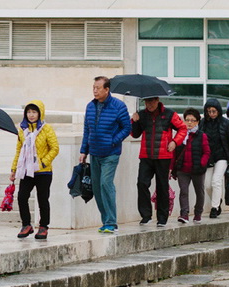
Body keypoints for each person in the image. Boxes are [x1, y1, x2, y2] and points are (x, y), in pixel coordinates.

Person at [79, 76, 132, 234]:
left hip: (110, 153)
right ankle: (105, 221)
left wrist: (113, 141)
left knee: (105, 184)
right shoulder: (90, 106)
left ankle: (111, 222)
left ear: (107, 90)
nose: (95, 90)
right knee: (96, 187)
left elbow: (126, 128)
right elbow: (87, 130)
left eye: (98, 88)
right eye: (93, 87)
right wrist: (84, 151)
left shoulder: (118, 106)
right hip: (94, 152)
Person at [130, 96, 186, 226]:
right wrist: (134, 121)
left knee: (162, 186)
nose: (149, 104)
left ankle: (162, 218)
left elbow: (182, 129)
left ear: (157, 100)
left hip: (164, 156)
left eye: (152, 101)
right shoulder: (142, 115)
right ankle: (146, 215)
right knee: (141, 183)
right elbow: (135, 134)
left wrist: (174, 142)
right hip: (146, 156)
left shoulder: (169, 114)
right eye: (147, 102)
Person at [10, 100, 59, 240]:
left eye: (34, 112)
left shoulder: (46, 128)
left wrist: (43, 163)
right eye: (29, 112)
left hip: (43, 171)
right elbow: (19, 150)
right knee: (22, 197)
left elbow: (55, 148)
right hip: (26, 169)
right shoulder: (22, 129)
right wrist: (14, 169)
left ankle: (43, 226)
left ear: (40, 113)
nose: (31, 115)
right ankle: (26, 225)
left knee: (42, 199)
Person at [200, 98, 229, 218]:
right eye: (209, 111)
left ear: (218, 111)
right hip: (208, 157)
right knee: (207, 185)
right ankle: (217, 201)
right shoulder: (203, 123)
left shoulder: (226, 123)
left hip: (222, 156)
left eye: (213, 111)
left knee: (216, 181)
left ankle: (214, 207)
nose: (211, 114)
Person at [172, 108, 210, 223]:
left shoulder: (201, 136)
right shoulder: (180, 135)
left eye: (192, 120)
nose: (189, 122)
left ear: (197, 122)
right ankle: (184, 214)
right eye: (187, 120)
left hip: (197, 169)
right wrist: (173, 168)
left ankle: (198, 213)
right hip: (183, 169)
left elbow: (207, 152)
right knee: (183, 191)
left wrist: (202, 164)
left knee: (199, 191)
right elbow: (174, 152)